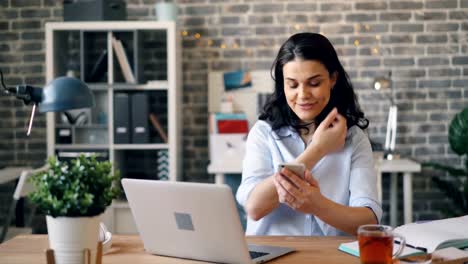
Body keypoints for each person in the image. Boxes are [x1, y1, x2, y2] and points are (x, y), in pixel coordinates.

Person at [236, 33, 381, 236]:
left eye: (314, 83)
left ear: (333, 79)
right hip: (271, 254)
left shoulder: (354, 137)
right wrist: (318, 149)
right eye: (293, 85)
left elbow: (369, 219)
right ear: (282, 85)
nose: (303, 95)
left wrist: (316, 205)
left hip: (331, 255)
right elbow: (254, 207)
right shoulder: (264, 133)